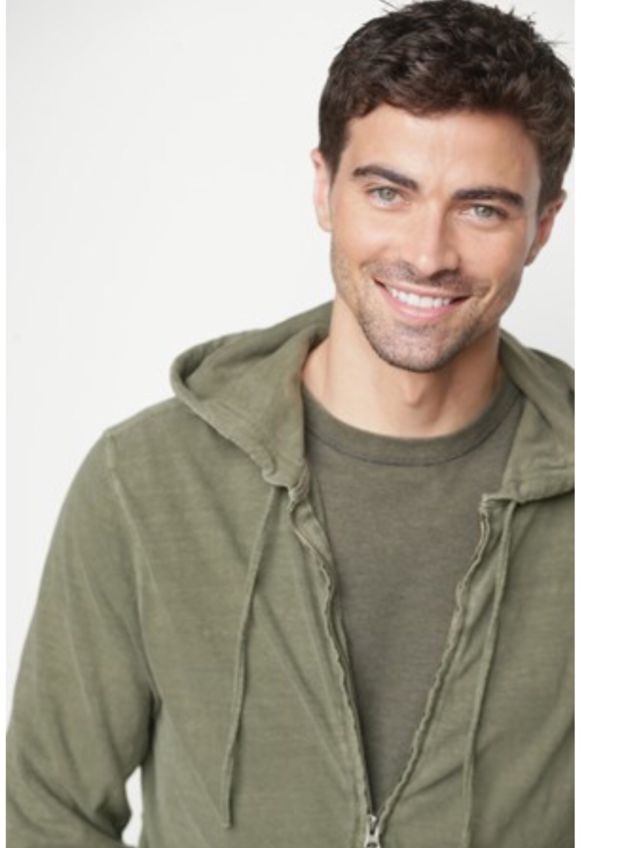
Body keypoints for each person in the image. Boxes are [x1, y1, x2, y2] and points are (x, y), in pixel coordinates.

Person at [6, 1, 574, 846]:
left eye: (482, 208)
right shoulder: (145, 480)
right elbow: (52, 811)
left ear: (542, 226)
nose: (427, 254)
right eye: (388, 192)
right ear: (323, 188)